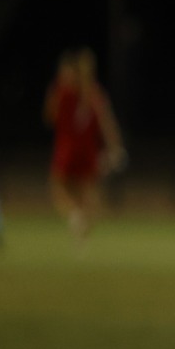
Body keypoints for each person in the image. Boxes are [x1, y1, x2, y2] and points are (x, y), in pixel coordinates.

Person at [43, 47, 124, 245]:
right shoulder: (96, 93)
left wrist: (55, 88)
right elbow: (107, 123)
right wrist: (115, 147)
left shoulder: (64, 91)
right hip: (89, 151)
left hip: (67, 148)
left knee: (58, 189)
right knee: (88, 195)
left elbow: (49, 117)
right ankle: (82, 235)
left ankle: (74, 216)